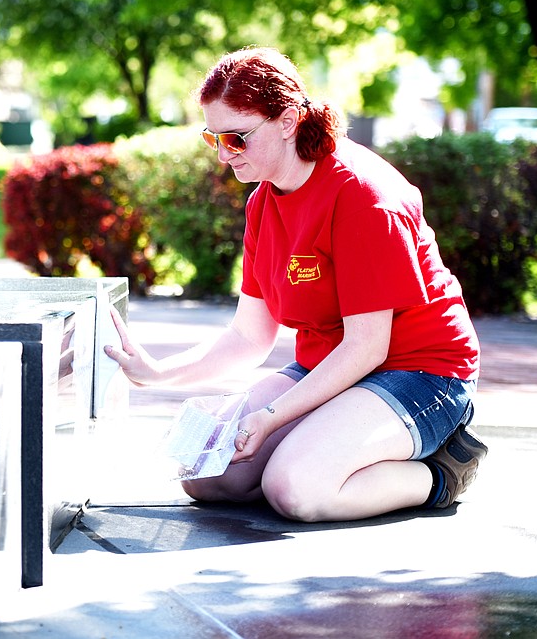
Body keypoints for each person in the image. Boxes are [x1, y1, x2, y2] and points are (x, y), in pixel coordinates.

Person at [104, 46, 487, 522]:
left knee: (296, 488)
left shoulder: (362, 196)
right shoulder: (263, 201)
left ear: (287, 120)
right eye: (212, 139)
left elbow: (367, 347)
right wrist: (156, 374)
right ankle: (334, 449)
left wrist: (271, 417)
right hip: (329, 367)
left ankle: (441, 473)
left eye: (237, 139)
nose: (223, 155)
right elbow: (249, 337)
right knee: (206, 473)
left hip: (422, 373)